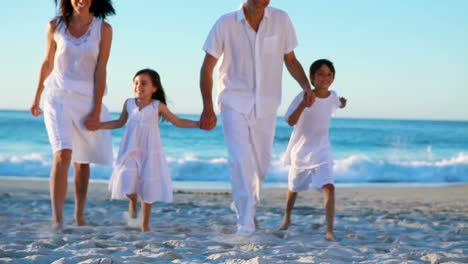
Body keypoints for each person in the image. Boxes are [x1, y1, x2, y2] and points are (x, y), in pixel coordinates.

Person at [199, 0, 314, 235]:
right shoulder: (225, 23)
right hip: (233, 102)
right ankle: (245, 222)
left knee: (261, 166)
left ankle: (246, 205)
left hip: (267, 104)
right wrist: (207, 106)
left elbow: (290, 59)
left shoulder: (281, 19)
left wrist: (305, 86)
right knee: (240, 159)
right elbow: (207, 67)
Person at [30, 0, 115, 231]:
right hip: (57, 97)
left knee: (82, 161)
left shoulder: (104, 29)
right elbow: (47, 62)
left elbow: (101, 69)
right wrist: (37, 96)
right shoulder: (54, 25)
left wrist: (97, 109)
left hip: (86, 100)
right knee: (63, 154)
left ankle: (79, 215)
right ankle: (57, 219)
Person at [98, 69, 199, 232]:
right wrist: (99, 125)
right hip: (129, 149)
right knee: (125, 178)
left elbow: (178, 121)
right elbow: (119, 122)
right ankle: (132, 200)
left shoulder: (157, 105)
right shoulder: (129, 103)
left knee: (147, 186)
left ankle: (145, 224)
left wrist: (198, 123)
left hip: (150, 150)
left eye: (144, 83)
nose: (139, 86)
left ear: (154, 88)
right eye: (136, 83)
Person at [278, 59, 347, 241]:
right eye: (321, 74)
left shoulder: (333, 96)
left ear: (333, 77)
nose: (325, 78)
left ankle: (329, 230)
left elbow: (337, 103)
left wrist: (342, 103)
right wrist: (304, 104)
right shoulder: (303, 96)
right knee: (293, 188)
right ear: (312, 77)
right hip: (301, 151)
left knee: (329, 187)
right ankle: (287, 217)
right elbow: (290, 121)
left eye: (329, 74)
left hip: (323, 150)